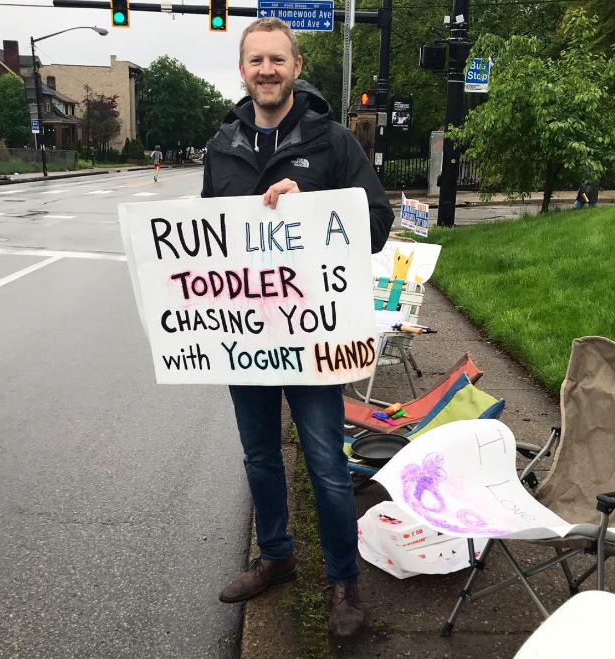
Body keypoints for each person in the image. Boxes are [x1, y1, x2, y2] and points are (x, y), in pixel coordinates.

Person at [201, 17, 394, 640]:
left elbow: (376, 222)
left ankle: (344, 583)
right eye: (256, 60)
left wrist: (310, 210)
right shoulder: (221, 148)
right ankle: (277, 554)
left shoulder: (334, 142)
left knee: (326, 466)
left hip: (315, 338)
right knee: (259, 458)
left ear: (296, 64)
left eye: (277, 60)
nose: (266, 70)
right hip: (247, 338)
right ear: (242, 69)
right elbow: (205, 247)